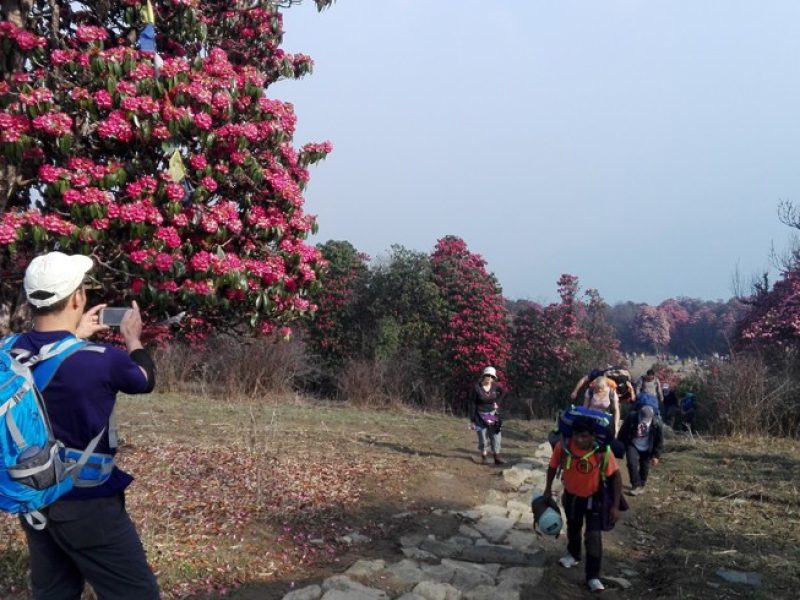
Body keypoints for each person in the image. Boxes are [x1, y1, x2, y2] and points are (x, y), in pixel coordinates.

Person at [12, 252, 159, 600]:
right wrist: (133, 339)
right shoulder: (100, 360)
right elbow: (144, 378)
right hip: (85, 501)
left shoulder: (8, 350)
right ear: (78, 298)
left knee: (54, 591)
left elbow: (46, 361)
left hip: (32, 495)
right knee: (137, 593)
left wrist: (73, 336)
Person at [543, 416, 622, 593]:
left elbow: (616, 477)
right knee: (573, 526)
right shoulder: (563, 448)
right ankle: (573, 554)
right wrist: (547, 489)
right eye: (577, 435)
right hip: (571, 496)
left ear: (593, 436)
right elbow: (553, 467)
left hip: (594, 499)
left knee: (593, 536)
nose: (580, 440)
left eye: (585, 436)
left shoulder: (602, 452)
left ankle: (593, 576)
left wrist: (615, 506)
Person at [617, 405, 663, 496]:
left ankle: (642, 483)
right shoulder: (632, 417)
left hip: (647, 447)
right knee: (631, 463)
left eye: (646, 420)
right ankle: (636, 485)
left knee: (644, 466)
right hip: (633, 443)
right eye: (642, 418)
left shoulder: (657, 423)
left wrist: (656, 456)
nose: (644, 421)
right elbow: (622, 432)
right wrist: (620, 446)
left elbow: (659, 441)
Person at [468, 366, 507, 465]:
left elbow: (503, 393)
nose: (489, 377)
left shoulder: (495, 386)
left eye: (492, 376)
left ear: (494, 378)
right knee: (482, 437)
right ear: (484, 376)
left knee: (496, 435)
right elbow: (472, 403)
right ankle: (484, 456)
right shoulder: (477, 387)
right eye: (487, 375)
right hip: (480, 415)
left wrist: (497, 402)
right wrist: (472, 420)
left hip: (491, 414)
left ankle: (496, 456)